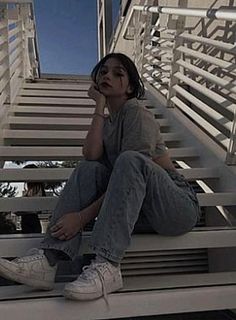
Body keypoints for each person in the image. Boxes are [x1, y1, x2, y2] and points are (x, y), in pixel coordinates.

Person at [0, 53, 200, 302]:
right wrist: (98, 107)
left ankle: (108, 265)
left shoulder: (137, 112)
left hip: (176, 206)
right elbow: (91, 154)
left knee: (129, 160)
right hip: (139, 211)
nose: (108, 75)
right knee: (89, 169)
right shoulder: (108, 122)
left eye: (118, 73)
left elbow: (132, 170)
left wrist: (83, 216)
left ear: (130, 87)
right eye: (104, 71)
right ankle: (49, 260)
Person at [16, 164, 45, 234]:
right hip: (28, 220)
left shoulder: (36, 189)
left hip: (31, 220)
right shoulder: (30, 190)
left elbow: (35, 209)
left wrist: (21, 211)